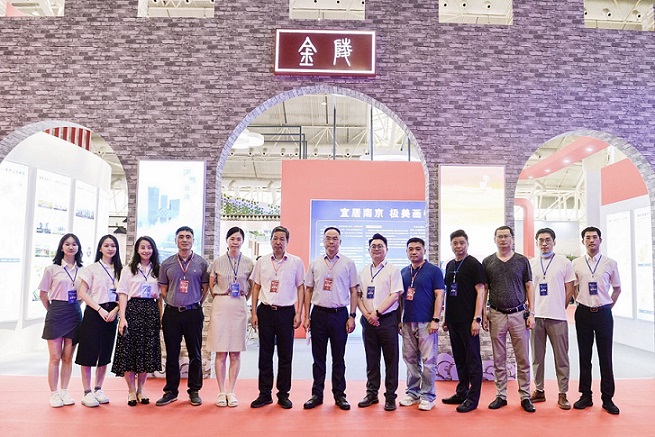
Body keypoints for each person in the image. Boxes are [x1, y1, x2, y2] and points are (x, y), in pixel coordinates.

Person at [302, 226, 358, 411]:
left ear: (340, 241)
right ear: (323, 241)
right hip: (318, 314)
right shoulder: (315, 263)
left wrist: (352, 316)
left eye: (335, 238)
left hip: (339, 315)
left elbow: (354, 291)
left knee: (338, 358)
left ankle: (339, 395)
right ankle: (317, 395)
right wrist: (306, 316)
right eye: (328, 238)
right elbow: (308, 290)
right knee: (318, 358)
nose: (331, 241)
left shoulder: (348, 263)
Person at [249, 226, 305, 409]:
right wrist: (253, 312)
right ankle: (264, 394)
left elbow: (301, 288)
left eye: (282, 239)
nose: (278, 242)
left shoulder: (296, 262)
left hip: (286, 312)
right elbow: (256, 287)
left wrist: (299, 313)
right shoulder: (262, 262)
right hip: (265, 311)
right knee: (265, 355)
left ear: (287, 242)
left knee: (285, 355)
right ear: (270, 240)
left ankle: (283, 394)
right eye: (275, 238)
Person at [482, 225, 536, 413]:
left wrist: (532, 313)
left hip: (519, 314)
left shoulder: (522, 261)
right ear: (494, 239)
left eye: (506, 236)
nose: (503, 240)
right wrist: (483, 313)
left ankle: (525, 396)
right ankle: (501, 395)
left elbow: (529, 286)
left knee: (523, 358)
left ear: (512, 239)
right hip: (496, 314)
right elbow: (484, 289)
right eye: (500, 237)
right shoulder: (488, 262)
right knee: (499, 358)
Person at [156, 226, 210, 407]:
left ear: (193, 240)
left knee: (195, 353)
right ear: (176, 240)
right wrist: (173, 301)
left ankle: (194, 390)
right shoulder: (167, 264)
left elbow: (205, 289)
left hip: (193, 313)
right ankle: (171, 391)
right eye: (181, 237)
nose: (184, 240)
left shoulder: (201, 263)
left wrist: (194, 302)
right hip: (172, 313)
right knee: (172, 353)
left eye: (188, 237)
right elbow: (163, 289)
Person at [571, 226, 621, 415]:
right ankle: (586, 395)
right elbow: (573, 287)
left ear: (600, 240)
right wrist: (579, 300)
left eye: (594, 237)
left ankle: (607, 398)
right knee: (585, 356)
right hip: (583, 313)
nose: (591, 240)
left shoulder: (610, 263)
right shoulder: (576, 263)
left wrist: (608, 306)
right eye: (587, 237)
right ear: (583, 241)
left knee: (605, 356)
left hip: (603, 313)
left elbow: (617, 288)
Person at [111, 236, 162, 406]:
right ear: (137, 250)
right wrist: (122, 318)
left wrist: (161, 317)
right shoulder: (128, 269)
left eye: (149, 247)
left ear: (153, 250)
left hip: (151, 311)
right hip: (133, 310)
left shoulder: (157, 269)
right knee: (129, 351)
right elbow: (123, 294)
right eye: (143, 247)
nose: (146, 250)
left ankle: (141, 390)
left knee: (146, 352)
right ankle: (131, 391)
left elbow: (160, 297)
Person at [207, 227, 254, 408]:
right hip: (221, 305)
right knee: (220, 351)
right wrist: (222, 294)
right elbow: (211, 286)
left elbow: (251, 286)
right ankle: (221, 391)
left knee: (235, 351)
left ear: (242, 241)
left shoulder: (248, 263)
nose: (235, 242)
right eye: (232, 238)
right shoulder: (217, 262)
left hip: (239, 306)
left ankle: (231, 391)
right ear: (227, 241)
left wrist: (243, 297)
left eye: (238, 239)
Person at [529, 228, 575, 410]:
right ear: (536, 242)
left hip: (557, 317)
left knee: (561, 357)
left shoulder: (564, 263)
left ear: (554, 242)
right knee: (537, 357)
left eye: (548, 240)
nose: (544, 243)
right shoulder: (531, 263)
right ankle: (539, 390)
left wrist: (560, 307)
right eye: (541, 240)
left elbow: (570, 289)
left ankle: (563, 393)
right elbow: (528, 289)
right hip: (536, 317)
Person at [356, 233, 403, 411]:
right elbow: (358, 296)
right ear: (369, 250)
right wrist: (367, 315)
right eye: (373, 246)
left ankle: (390, 396)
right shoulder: (363, 271)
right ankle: (371, 393)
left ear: (386, 249)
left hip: (387, 320)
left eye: (380, 246)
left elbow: (395, 295)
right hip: (368, 321)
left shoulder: (392, 270)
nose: (376, 249)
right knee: (372, 358)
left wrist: (376, 313)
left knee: (391, 359)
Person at [76, 234, 123, 407]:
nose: (110, 248)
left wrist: (116, 310)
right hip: (95, 312)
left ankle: (98, 389)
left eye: (113, 246)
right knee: (88, 352)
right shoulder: (91, 269)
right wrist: (99, 309)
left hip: (112, 313)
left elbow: (125, 295)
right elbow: (82, 293)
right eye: (106, 245)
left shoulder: (121, 270)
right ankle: (87, 392)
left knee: (105, 353)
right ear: (100, 248)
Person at [398, 237, 445, 412]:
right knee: (410, 359)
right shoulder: (403, 272)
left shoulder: (434, 271)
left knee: (429, 361)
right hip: (407, 321)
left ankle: (427, 396)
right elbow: (400, 299)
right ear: (406, 252)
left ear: (424, 251)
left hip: (427, 322)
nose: (414, 252)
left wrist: (436, 319)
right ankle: (413, 393)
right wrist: (399, 320)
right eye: (410, 249)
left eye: (418, 249)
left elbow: (440, 295)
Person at [442, 230, 485, 413]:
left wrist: (477, 318)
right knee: (459, 358)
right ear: (451, 245)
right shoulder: (450, 265)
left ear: (467, 244)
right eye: (455, 243)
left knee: (472, 359)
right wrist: (446, 318)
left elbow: (481, 291)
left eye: (461, 243)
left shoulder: (474, 264)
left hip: (469, 321)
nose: (458, 246)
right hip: (453, 320)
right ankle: (462, 392)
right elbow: (448, 293)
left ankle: (473, 399)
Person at [39, 233, 84, 408]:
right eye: (67, 244)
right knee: (55, 357)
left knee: (67, 357)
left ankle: (64, 391)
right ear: (61, 247)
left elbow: (83, 295)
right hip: (56, 313)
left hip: (74, 313)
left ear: (78, 248)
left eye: (74, 244)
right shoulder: (52, 269)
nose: (71, 247)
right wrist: (52, 310)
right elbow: (43, 294)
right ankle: (54, 393)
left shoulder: (83, 270)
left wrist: (75, 306)